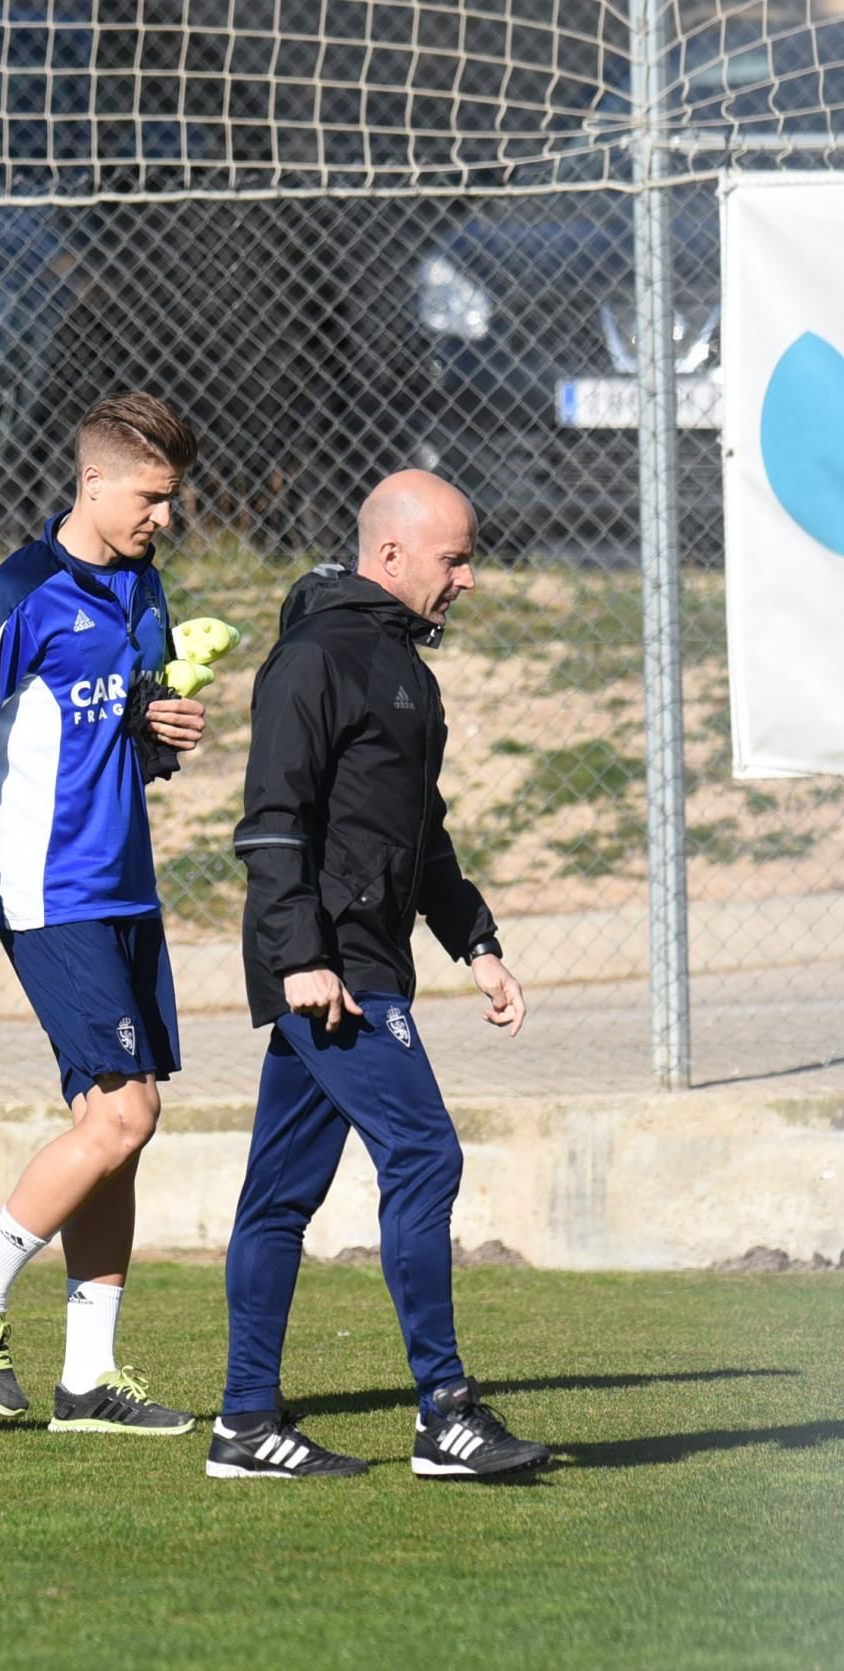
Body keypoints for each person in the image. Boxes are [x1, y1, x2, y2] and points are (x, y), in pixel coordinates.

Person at [207, 469, 550, 1481]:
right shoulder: (311, 660)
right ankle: (445, 1413)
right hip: (334, 970)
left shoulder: (405, 670)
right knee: (426, 1154)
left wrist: (475, 941)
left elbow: (420, 833)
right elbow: (271, 822)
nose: (469, 580)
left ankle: (243, 1427)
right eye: (454, 559)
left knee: (279, 1195)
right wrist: (300, 957)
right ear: (391, 555)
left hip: (366, 962)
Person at [0, 391, 207, 1435]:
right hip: (49, 891)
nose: (163, 518)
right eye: (150, 497)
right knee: (126, 1114)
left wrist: (160, 729)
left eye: (172, 500)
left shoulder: (144, 589)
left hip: (126, 883)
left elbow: (130, 732)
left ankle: (89, 1379)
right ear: (93, 483)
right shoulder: (20, 592)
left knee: (116, 1128)